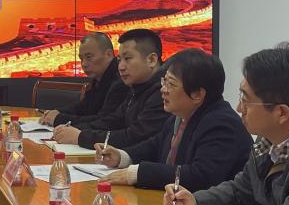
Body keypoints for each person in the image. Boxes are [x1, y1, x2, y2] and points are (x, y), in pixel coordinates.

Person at [159, 42, 289, 205]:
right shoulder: (268, 140)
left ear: (281, 113)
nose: (238, 108)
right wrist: (196, 201)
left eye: (246, 100)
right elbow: (242, 190)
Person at [98, 49, 251, 193]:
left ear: (197, 94)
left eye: (171, 84)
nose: (163, 89)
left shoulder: (221, 124)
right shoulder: (181, 114)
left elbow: (200, 176)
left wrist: (138, 173)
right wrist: (122, 156)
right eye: (164, 82)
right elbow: (155, 145)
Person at [50, 28, 166, 151]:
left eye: (127, 59)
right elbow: (113, 121)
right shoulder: (137, 87)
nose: (121, 67)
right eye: (119, 60)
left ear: (152, 60)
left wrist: (80, 136)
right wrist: (75, 130)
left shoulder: (164, 91)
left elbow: (133, 136)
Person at [39, 32, 128, 128]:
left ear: (109, 54)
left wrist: (59, 119)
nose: (84, 64)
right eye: (81, 59)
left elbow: (104, 121)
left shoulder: (121, 81)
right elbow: (83, 107)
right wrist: (58, 112)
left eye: (89, 57)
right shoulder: (99, 77)